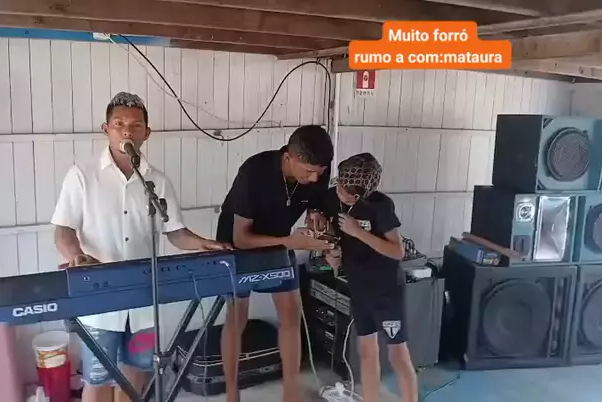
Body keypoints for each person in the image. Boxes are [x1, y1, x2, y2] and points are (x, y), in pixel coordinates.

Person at [51, 92, 230, 402]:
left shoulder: (157, 182)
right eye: (119, 124)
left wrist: (205, 244)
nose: (127, 132)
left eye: (135, 126)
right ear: (106, 129)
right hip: (99, 302)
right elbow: (63, 231)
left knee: (136, 377)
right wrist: (76, 256)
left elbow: (176, 233)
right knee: (98, 380)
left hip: (145, 302)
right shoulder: (81, 176)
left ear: (147, 133)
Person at [215, 125, 335, 402]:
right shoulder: (254, 172)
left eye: (320, 171)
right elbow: (242, 238)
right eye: (308, 171)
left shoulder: (318, 170)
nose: (315, 177)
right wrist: (291, 242)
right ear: (289, 157)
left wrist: (316, 216)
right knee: (237, 316)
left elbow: (315, 203)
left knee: (291, 314)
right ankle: (232, 392)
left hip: (281, 240)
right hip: (238, 245)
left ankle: (291, 392)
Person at [321, 153, 418, 402]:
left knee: (398, 355)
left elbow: (397, 251)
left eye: (350, 193)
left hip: (386, 291)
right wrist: (331, 254)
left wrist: (358, 232)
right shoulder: (332, 199)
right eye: (341, 187)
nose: (343, 194)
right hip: (359, 287)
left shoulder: (380, 205)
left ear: (362, 193)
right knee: (366, 351)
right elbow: (332, 237)